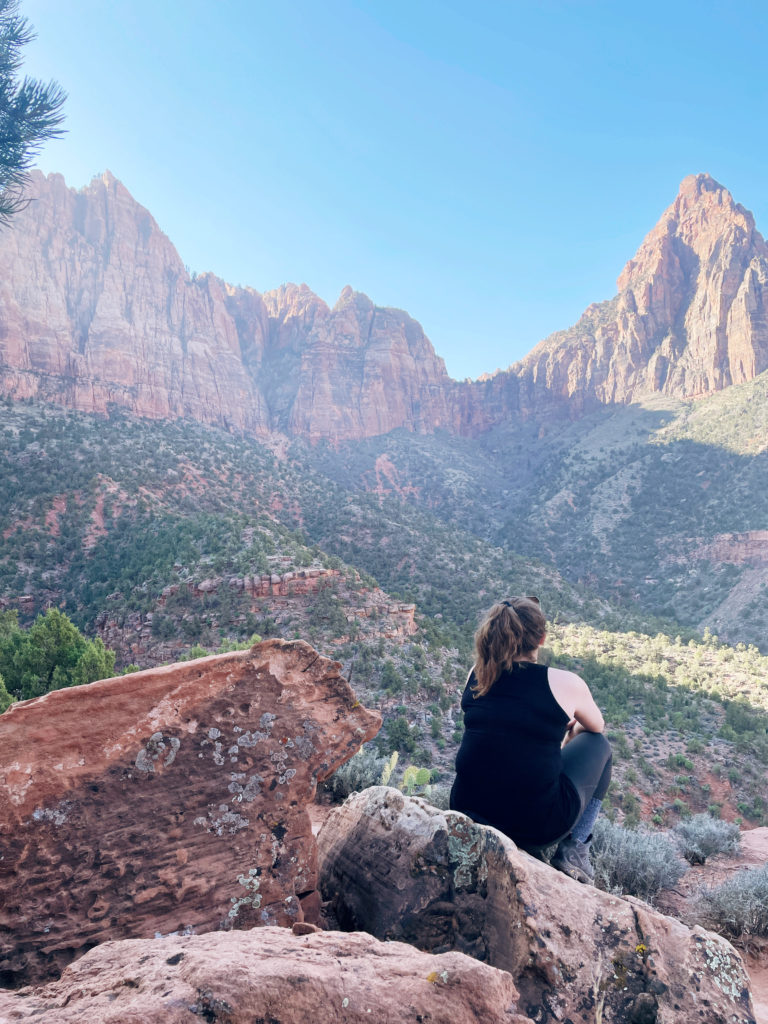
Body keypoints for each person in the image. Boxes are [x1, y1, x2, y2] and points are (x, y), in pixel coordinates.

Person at [449, 596, 612, 883]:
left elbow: (503, 733)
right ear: (541, 639)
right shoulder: (565, 683)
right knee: (600, 745)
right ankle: (575, 850)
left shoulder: (478, 674)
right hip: (533, 826)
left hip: (466, 810)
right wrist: (568, 734)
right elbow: (597, 726)